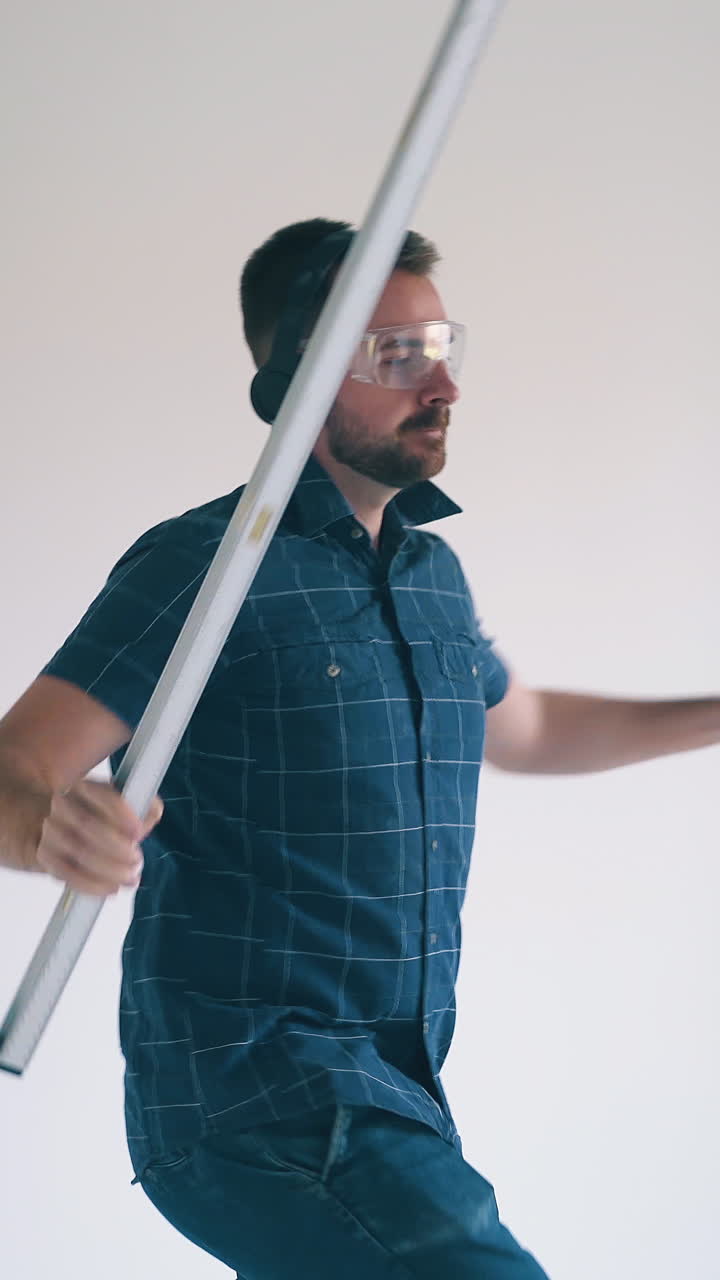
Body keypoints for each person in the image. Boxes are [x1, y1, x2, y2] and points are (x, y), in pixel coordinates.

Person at [1, 218, 717, 1279]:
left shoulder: (432, 577)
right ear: (298, 374)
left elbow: (529, 727)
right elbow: (15, 769)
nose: (443, 387)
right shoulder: (206, 567)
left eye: (443, 348)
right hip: (260, 1102)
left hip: (400, 1093)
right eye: (399, 356)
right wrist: (51, 826)